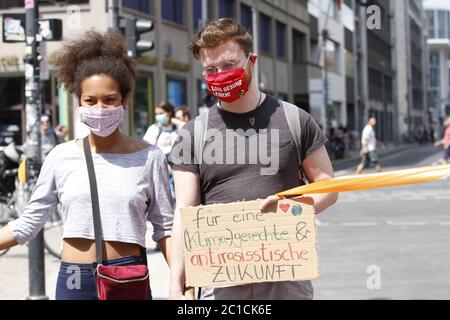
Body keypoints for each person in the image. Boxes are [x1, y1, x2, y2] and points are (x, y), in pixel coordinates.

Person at [168, 18, 338, 300]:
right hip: (220, 278)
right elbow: (184, 213)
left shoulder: (295, 120)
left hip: (286, 275)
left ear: (251, 60)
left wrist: (291, 209)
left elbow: (328, 187)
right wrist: (177, 282)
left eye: (230, 65)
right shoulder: (192, 134)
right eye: (211, 69)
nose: (220, 74)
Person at [0, 30, 174, 300]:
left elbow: (165, 228)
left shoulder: (149, 157)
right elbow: (29, 223)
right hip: (73, 278)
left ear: (124, 100)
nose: (100, 108)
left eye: (110, 99)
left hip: (127, 275)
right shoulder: (60, 157)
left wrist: (182, 279)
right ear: (78, 102)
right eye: (90, 101)